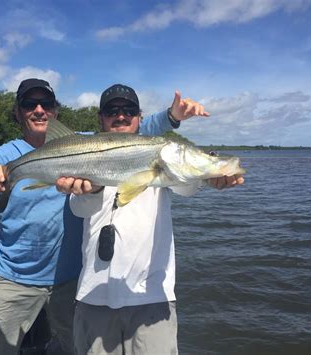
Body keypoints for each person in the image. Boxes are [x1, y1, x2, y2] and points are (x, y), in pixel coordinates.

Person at [0, 79, 205, 354]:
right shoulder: (3, 155)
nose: (39, 110)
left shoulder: (87, 143)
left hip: (72, 282)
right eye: (29, 104)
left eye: (46, 104)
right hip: (15, 278)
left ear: (56, 111)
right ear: (17, 112)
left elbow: (133, 139)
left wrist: (171, 117)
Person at [56, 84, 244, 355]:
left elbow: (187, 186)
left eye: (129, 110)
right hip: (93, 295)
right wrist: (92, 188)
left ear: (140, 117)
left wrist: (208, 175)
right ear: (101, 118)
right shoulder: (85, 155)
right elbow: (80, 210)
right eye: (112, 110)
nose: (121, 116)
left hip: (152, 297)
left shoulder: (162, 156)